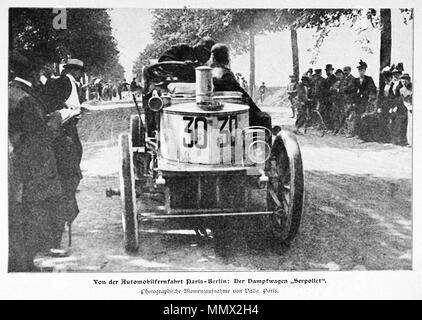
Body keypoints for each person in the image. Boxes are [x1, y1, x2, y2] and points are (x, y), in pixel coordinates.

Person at [8, 51, 63, 271]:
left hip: (13, 162)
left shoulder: (11, 92)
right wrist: (57, 121)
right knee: (29, 216)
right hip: (27, 169)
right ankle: (24, 266)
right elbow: (39, 138)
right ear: (32, 73)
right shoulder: (25, 99)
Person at [41, 58, 84, 254]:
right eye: (79, 72)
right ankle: (57, 233)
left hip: (50, 136)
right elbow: (74, 110)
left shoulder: (53, 82)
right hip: (65, 134)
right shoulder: (69, 83)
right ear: (75, 71)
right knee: (68, 176)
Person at [207, 43, 271, 134]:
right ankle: (260, 146)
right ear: (226, 57)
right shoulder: (226, 73)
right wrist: (257, 110)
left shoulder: (207, 72)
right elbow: (242, 93)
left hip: (213, 110)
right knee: (265, 118)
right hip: (230, 111)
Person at [349, 60, 376, 138]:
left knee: (364, 116)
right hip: (358, 101)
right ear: (358, 71)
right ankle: (357, 133)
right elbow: (352, 91)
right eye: (360, 70)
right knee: (357, 116)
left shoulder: (369, 79)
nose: (362, 72)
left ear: (365, 71)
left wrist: (365, 93)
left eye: (363, 70)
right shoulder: (355, 80)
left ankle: (364, 134)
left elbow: (372, 88)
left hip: (366, 100)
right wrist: (354, 101)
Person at [329, 69, 347, 134]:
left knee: (342, 115)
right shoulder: (336, 82)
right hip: (336, 101)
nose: (338, 76)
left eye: (339, 75)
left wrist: (338, 90)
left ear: (342, 74)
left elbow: (345, 90)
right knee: (335, 114)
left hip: (343, 101)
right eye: (337, 75)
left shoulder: (345, 81)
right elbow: (331, 89)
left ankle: (341, 129)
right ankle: (336, 129)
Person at [323, 64, 337, 130]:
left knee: (332, 112)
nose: (328, 72)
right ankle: (328, 127)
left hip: (332, 98)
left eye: (329, 70)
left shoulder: (334, 78)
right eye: (327, 70)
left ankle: (332, 128)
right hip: (326, 98)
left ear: (332, 71)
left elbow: (334, 89)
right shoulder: (326, 79)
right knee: (327, 112)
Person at [400, 73, 412, 146]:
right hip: (408, 108)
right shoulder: (401, 90)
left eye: (405, 81)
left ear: (409, 80)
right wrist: (408, 106)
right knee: (409, 124)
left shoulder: (414, 87)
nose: (404, 83)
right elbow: (403, 100)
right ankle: (410, 141)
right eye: (402, 81)